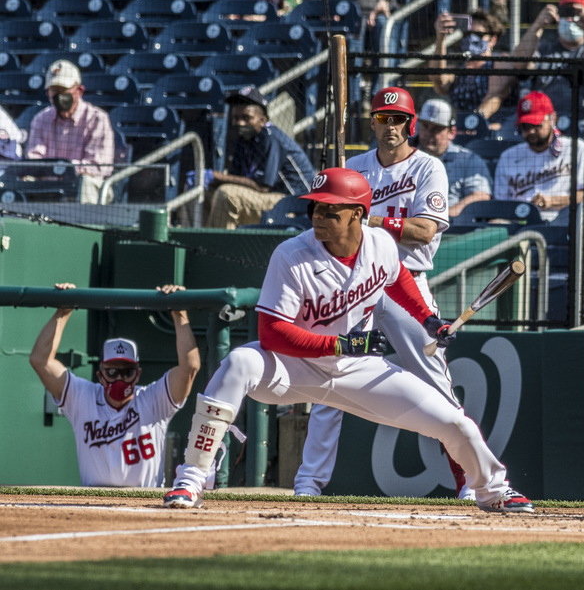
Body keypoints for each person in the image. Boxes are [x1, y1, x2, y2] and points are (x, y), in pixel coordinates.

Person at [162, 166, 534, 513]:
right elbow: (271, 333)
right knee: (240, 361)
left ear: (357, 214)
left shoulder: (380, 244)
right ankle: (192, 477)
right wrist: (338, 346)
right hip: (294, 369)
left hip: (357, 369)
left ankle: (493, 489)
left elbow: (398, 279)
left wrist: (428, 319)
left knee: (455, 423)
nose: (317, 218)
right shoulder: (292, 255)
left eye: (330, 211)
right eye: (315, 210)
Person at [293, 88, 475, 501]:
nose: (390, 126)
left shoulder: (429, 167)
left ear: (411, 124)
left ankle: (469, 478)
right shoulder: (353, 168)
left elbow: (425, 230)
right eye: (382, 118)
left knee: (435, 384)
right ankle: (308, 482)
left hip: (405, 279)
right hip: (354, 279)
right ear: (371, 121)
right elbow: (331, 226)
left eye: (397, 119)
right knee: (331, 375)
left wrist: (366, 217)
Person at [29, 283, 201, 488]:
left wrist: (179, 313)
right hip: (94, 505)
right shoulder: (83, 397)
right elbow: (40, 360)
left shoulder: (154, 399)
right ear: (100, 375)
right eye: (112, 371)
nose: (119, 378)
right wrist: (63, 312)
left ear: (137, 374)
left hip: (146, 506)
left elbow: (190, 367)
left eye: (126, 371)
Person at [204, 86, 314, 229]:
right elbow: (234, 178)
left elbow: (262, 187)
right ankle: (196, 245)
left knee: (227, 195)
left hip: (295, 203)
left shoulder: (271, 138)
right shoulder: (244, 139)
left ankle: (220, 247)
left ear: (263, 120)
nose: (240, 123)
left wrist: (215, 176)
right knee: (206, 191)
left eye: (246, 118)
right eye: (235, 118)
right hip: (270, 199)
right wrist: (209, 180)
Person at [510, 0, 584, 128]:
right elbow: (519, 64)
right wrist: (538, 25)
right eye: (566, 12)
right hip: (545, 130)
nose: (570, 18)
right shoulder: (545, 49)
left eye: (576, 12)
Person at [494, 91, 584, 221]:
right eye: (525, 126)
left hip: (565, 222)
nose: (531, 131)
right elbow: (500, 205)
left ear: (553, 118)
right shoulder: (508, 156)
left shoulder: (576, 148)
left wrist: (553, 201)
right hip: (519, 224)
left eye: (536, 124)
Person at [26, 60, 115, 204]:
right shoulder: (40, 119)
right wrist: (55, 171)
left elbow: (98, 167)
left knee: (86, 182)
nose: (59, 96)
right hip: (50, 187)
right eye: (54, 91)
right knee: (26, 179)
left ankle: (85, 226)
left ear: (79, 91)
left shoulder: (97, 118)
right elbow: (33, 159)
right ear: (47, 93)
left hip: (84, 187)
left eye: (64, 90)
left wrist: (63, 169)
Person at [429, 9, 517, 127]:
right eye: (467, 34)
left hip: (493, 133)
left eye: (478, 34)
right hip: (460, 133)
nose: (471, 38)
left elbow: (495, 96)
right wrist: (440, 38)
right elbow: (438, 79)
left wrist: (473, 122)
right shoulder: (457, 71)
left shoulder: (500, 61)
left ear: (492, 40)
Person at [417, 99, 492, 217]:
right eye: (425, 126)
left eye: (436, 128)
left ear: (451, 132)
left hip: (452, 228)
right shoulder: (406, 156)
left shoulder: (468, 159)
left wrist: (445, 216)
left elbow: (481, 195)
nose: (428, 133)